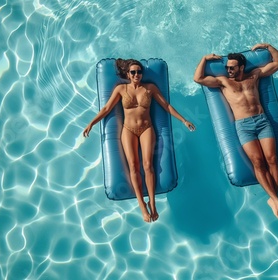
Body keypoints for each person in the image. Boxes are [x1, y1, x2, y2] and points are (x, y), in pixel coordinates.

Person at [83, 58, 196, 223]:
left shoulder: (150, 88)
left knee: (148, 165)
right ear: (128, 74)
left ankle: (153, 203)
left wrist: (184, 120)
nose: (137, 74)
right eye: (133, 72)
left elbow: (167, 106)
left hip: (146, 128)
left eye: (139, 72)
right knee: (133, 166)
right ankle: (142, 204)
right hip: (128, 130)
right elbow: (107, 108)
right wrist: (91, 123)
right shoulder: (121, 89)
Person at [193, 43, 278, 220]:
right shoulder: (223, 82)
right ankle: (276, 199)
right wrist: (204, 58)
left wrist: (267, 46)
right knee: (258, 162)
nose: (228, 70)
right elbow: (198, 79)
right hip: (243, 126)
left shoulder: (254, 76)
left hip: (262, 121)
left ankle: (274, 199)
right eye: (227, 67)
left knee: (272, 159)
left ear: (241, 67)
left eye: (232, 67)